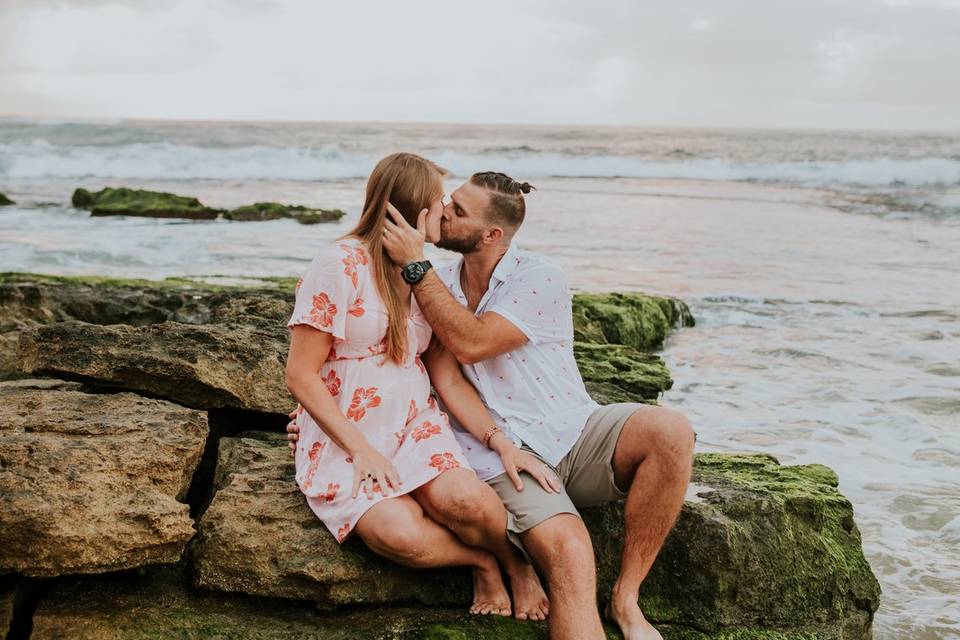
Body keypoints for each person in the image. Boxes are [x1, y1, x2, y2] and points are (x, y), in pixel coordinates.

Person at [289, 169, 696, 640]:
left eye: (457, 209)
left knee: (672, 430)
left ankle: (627, 597)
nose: (445, 211)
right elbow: (375, 361)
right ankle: (512, 562)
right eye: (446, 202)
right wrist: (322, 419)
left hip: (567, 429)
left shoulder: (533, 278)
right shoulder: (431, 279)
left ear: (492, 235)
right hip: (494, 455)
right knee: (569, 550)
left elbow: (471, 343)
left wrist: (416, 270)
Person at [284, 153, 551, 620]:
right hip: (348, 434)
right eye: (439, 201)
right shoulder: (338, 265)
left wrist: (499, 441)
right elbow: (300, 374)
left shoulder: (427, 277)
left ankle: (516, 563)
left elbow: (445, 373)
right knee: (399, 534)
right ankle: (481, 561)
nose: (445, 211)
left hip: (413, 421)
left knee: (466, 501)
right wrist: (361, 448)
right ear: (410, 210)